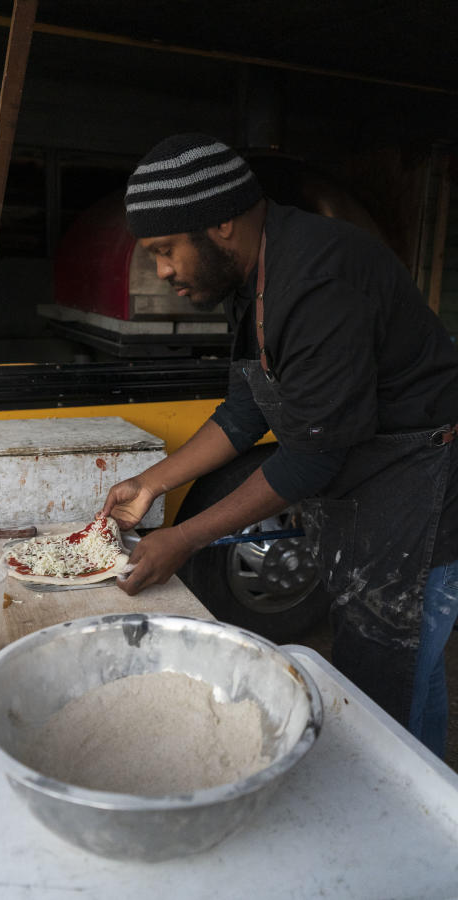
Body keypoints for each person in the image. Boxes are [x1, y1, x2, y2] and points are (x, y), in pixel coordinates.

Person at [100, 133, 458, 758]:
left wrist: (181, 539)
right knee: (384, 666)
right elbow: (246, 411)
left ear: (221, 223)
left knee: (388, 675)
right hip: (370, 489)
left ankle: (410, 821)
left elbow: (312, 457)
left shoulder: (321, 282)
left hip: (421, 496)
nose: (161, 271)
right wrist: (152, 483)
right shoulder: (254, 273)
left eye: (164, 250)